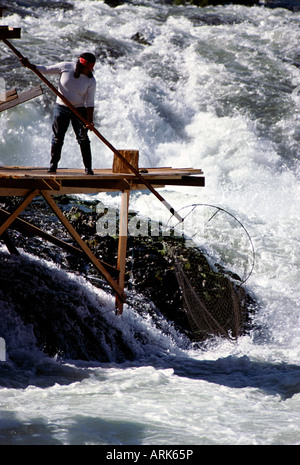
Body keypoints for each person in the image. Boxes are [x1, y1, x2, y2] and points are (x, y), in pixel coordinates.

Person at [21, 53, 96, 175]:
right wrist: (29, 65)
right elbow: (45, 70)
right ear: (80, 65)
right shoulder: (66, 67)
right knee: (57, 138)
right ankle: (53, 166)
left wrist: (89, 120)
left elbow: (90, 102)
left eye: (91, 69)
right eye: (87, 68)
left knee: (83, 138)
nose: (89, 71)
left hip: (79, 110)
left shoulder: (91, 80)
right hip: (61, 108)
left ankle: (88, 168)